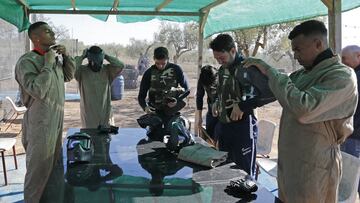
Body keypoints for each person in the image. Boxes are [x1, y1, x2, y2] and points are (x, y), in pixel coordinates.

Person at [243, 20, 358, 203]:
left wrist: (272, 73)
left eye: (298, 49)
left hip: (314, 170)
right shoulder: (301, 75)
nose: (295, 56)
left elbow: (304, 109)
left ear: (318, 44)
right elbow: (277, 93)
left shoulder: (342, 76)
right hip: (290, 168)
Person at [14, 21, 75, 203]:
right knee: (38, 170)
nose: (53, 33)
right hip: (40, 122)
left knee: (54, 165)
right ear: (36, 38)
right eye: (48, 31)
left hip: (55, 120)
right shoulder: (27, 61)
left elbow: (69, 76)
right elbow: (37, 90)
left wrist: (67, 56)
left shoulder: (53, 57)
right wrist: (47, 65)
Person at [209, 34, 258, 177]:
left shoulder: (247, 68)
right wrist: (216, 102)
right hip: (224, 127)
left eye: (222, 58)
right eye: (216, 59)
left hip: (243, 128)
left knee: (244, 172)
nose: (219, 62)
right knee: (224, 168)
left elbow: (260, 97)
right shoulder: (222, 70)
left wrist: (242, 106)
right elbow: (220, 91)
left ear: (232, 50)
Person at [138, 46, 189, 141]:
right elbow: (141, 96)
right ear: (154, 59)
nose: (160, 66)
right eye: (157, 63)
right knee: (154, 140)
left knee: (175, 138)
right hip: (155, 112)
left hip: (171, 111)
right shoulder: (149, 73)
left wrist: (176, 101)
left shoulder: (176, 69)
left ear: (168, 59)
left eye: (163, 63)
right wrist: (145, 108)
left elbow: (186, 89)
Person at [75, 46, 124, 128]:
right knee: (90, 138)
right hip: (89, 117)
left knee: (106, 138)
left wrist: (106, 56)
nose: (98, 65)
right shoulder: (81, 71)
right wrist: (82, 56)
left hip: (105, 115)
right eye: (95, 62)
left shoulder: (107, 70)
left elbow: (120, 65)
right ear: (89, 60)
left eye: (100, 62)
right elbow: (72, 67)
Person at [341, 45, 360, 196]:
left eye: (344, 59)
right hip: (353, 135)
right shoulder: (355, 74)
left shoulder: (356, 77)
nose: (343, 62)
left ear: (358, 56)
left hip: (355, 137)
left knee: (351, 180)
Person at [195, 65, 219, 140]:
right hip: (211, 111)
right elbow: (199, 97)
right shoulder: (202, 79)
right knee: (209, 135)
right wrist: (199, 117)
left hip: (224, 113)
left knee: (220, 135)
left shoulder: (222, 77)